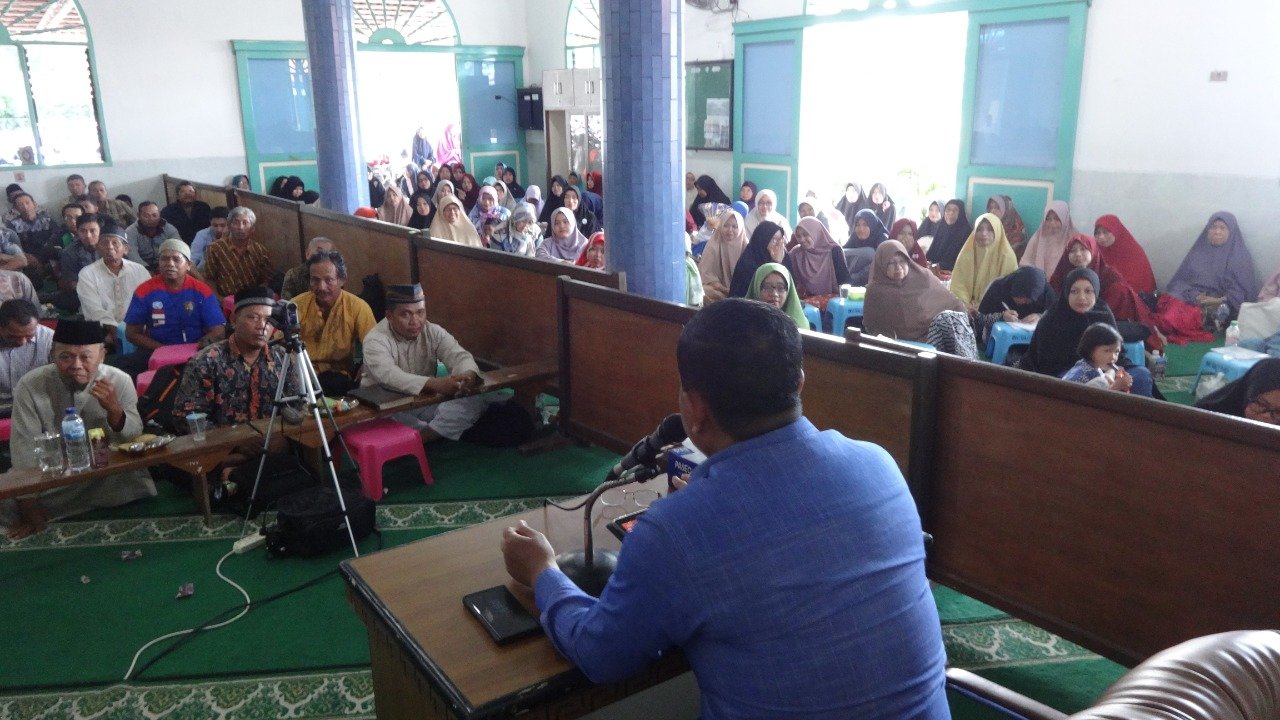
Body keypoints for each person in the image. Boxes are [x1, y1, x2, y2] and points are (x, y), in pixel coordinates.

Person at [500, 298, 949, 720]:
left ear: (694, 412)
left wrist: (543, 572)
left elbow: (601, 655)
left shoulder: (674, 534)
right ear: (799, 385)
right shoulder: (880, 464)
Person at [3, 320, 156, 540]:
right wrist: (28, 503)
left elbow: (132, 437)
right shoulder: (30, 385)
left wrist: (115, 410)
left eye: (85, 356)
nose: (76, 364)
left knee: (129, 477)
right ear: (52, 354)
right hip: (52, 477)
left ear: (102, 356)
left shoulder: (118, 381)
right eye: (66, 357)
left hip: (103, 473)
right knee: (8, 499)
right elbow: (23, 447)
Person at [172, 288, 300, 481]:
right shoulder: (206, 361)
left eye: (268, 320)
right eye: (253, 317)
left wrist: (283, 436)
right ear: (233, 320)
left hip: (271, 444)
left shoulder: (282, 358)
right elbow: (186, 418)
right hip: (223, 449)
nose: (262, 326)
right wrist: (236, 443)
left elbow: (297, 404)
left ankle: (237, 473)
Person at [361, 283, 490, 443]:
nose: (415, 321)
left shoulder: (432, 331)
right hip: (384, 406)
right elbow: (389, 375)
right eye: (405, 314)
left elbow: (459, 356)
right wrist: (434, 384)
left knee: (474, 400)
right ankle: (434, 433)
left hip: (422, 400)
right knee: (374, 422)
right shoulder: (375, 339)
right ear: (389, 316)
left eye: (420, 312)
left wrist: (466, 376)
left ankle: (422, 438)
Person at [1021, 268, 1154, 397]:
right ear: (1067, 292)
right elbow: (1046, 365)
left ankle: (1134, 418)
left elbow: (1117, 352)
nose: (1082, 297)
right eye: (1074, 291)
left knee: (1140, 375)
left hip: (1105, 367)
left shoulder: (1103, 312)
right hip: (1066, 373)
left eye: (1088, 291)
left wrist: (1113, 371)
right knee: (1075, 384)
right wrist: (1095, 372)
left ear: (1096, 292)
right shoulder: (1053, 317)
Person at [119, 239, 225, 376]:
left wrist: (196, 349)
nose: (170, 264)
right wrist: (163, 350)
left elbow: (218, 331)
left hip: (196, 352)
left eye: (176, 259)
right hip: (157, 350)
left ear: (188, 265)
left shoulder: (202, 291)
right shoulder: (144, 291)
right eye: (164, 259)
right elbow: (132, 333)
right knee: (121, 367)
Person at [1048, 233, 1164, 351]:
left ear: (1093, 250)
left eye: (1083, 249)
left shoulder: (1109, 276)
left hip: (1106, 324)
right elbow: (1050, 302)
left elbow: (1118, 310)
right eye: (1072, 251)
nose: (1078, 254)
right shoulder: (1061, 274)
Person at [292, 251, 376, 396]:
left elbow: (375, 347)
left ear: (342, 280)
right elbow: (280, 344)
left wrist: (364, 365)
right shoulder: (296, 305)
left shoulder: (358, 307)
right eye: (315, 280)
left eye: (329, 280)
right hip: (301, 375)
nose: (321, 287)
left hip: (339, 378)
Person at [865, 240, 968, 344]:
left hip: (931, 338)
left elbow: (953, 304)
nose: (898, 267)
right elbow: (872, 327)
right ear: (881, 264)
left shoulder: (923, 277)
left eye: (902, 261)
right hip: (891, 346)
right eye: (891, 263)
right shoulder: (874, 291)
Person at [1165, 211, 1258, 318]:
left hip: (1221, 303)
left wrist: (1218, 300)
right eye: (1213, 227)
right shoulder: (1198, 252)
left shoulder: (1239, 257)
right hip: (1192, 298)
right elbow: (1179, 282)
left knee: (1210, 315)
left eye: (1223, 228)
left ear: (1231, 232)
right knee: (1170, 307)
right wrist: (1195, 295)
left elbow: (1243, 292)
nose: (1217, 232)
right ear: (1207, 230)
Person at [77, 223, 151, 350]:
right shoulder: (87, 273)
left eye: (115, 243)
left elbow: (148, 302)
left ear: (125, 249)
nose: (109, 247)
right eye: (104, 243)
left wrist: (131, 331)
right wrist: (115, 330)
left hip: (138, 327)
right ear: (98, 247)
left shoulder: (139, 271)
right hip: (102, 328)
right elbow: (94, 311)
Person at [948, 213, 1019, 314]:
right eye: (979, 229)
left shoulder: (1007, 257)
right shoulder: (967, 253)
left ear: (998, 231)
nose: (984, 233)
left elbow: (1007, 292)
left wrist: (983, 307)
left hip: (995, 311)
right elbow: (958, 286)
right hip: (966, 309)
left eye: (990, 229)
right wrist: (966, 306)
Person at [976, 266, 1055, 353]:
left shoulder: (1046, 294)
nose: (1023, 302)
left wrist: (1040, 317)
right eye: (1020, 296)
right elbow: (979, 319)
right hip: (997, 342)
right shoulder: (998, 287)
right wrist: (1001, 316)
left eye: (1028, 300)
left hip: (1029, 346)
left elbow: (1054, 321)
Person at [202, 206, 272, 298]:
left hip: (251, 300)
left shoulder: (260, 251)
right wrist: (221, 300)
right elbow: (209, 279)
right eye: (236, 222)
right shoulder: (215, 248)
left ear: (252, 229)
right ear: (229, 227)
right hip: (224, 300)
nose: (240, 227)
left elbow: (266, 280)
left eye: (245, 223)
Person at [0, 299, 53, 419]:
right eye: (13, 336)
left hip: (38, 407)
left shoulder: (50, 340)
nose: (22, 342)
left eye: (29, 336)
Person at [1195, 358, 1280, 425]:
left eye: (1278, 412)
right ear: (1246, 394)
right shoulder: (1204, 418)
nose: (1266, 416)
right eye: (1261, 404)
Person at [53, 211, 107, 314]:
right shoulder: (69, 253)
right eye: (83, 231)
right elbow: (72, 282)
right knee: (63, 300)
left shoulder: (109, 246)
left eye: (93, 231)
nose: (88, 235)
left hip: (112, 285)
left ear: (100, 230)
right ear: (77, 231)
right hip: (85, 289)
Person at [788, 217, 850, 299]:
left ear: (816, 232)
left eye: (806, 234)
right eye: (799, 236)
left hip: (834, 301)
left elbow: (844, 282)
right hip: (805, 302)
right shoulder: (796, 253)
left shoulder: (834, 251)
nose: (802, 240)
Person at [1061, 322, 1133, 392]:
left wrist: (1114, 374)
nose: (1113, 357)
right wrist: (1116, 387)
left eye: (1116, 352)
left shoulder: (1085, 365)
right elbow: (1092, 399)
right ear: (1090, 350)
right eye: (1107, 351)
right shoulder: (1085, 374)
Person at [699, 208, 749, 304]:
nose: (730, 230)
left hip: (742, 294)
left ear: (741, 228)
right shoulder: (713, 245)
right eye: (726, 225)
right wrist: (727, 291)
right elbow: (707, 276)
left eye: (734, 226)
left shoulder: (746, 247)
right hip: (719, 292)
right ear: (720, 226)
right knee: (704, 291)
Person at [1020, 200, 1081, 277]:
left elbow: (1080, 266)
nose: (1052, 223)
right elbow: (1025, 263)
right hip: (1040, 283)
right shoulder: (1038, 238)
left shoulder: (1075, 240)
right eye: (1048, 219)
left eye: (1057, 219)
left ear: (1065, 219)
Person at [5, 192, 58, 279]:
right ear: (16, 209)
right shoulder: (12, 225)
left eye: (27, 203)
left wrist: (41, 257)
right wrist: (27, 256)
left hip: (48, 254)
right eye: (20, 205)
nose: (25, 207)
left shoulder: (47, 220)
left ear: (35, 204)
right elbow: (12, 245)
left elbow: (55, 237)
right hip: (27, 259)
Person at [729, 221, 788, 298]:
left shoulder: (785, 256)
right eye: (774, 238)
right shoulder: (748, 262)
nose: (778, 243)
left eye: (780, 239)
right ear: (763, 239)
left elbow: (789, 288)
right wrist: (776, 264)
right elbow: (762, 290)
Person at [746, 262, 808, 329]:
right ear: (756, 288)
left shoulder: (799, 326)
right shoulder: (744, 323)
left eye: (781, 288)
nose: (774, 294)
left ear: (788, 291)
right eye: (767, 287)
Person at [125, 201, 180, 271]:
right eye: (146, 216)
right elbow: (132, 255)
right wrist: (146, 269)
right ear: (138, 215)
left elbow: (179, 248)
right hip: (141, 267)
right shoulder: (130, 231)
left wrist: (166, 265)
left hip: (166, 264)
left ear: (159, 214)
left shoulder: (169, 228)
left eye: (154, 215)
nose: (151, 219)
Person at [924, 199, 971, 273]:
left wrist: (939, 266)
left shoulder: (966, 233)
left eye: (955, 210)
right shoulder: (942, 228)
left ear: (960, 214)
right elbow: (931, 253)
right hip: (934, 271)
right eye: (948, 210)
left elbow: (962, 262)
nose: (950, 213)